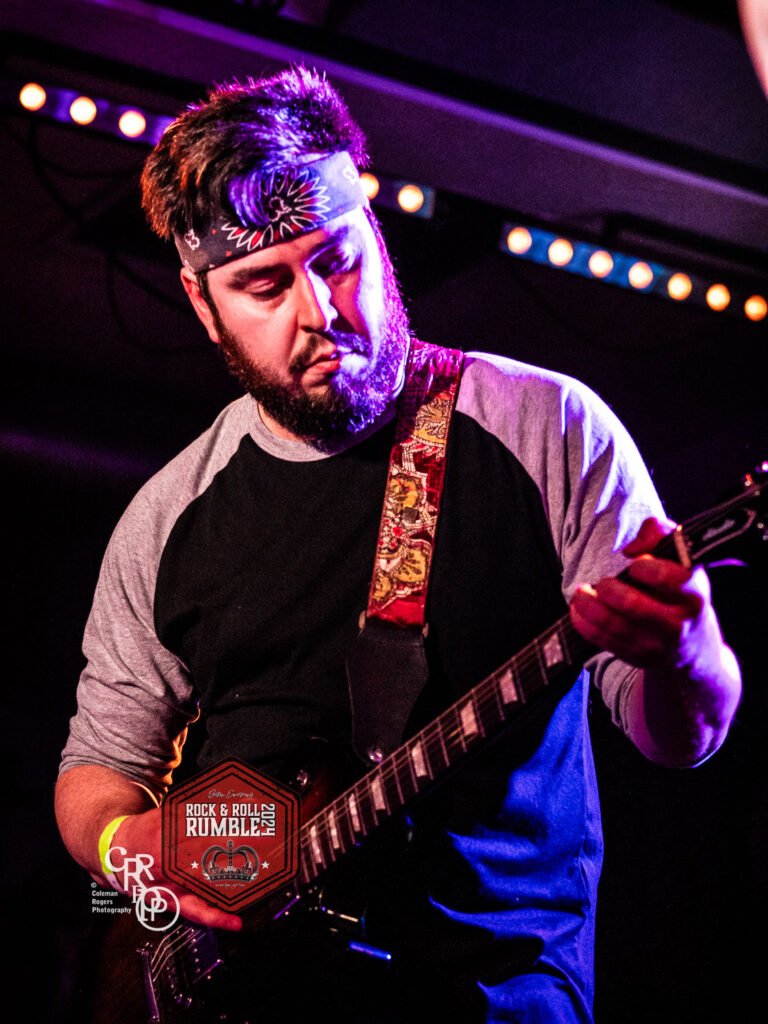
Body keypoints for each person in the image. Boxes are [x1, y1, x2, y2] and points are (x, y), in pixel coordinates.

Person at [55, 66, 741, 1023]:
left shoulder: (546, 427)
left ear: (375, 231)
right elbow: (97, 770)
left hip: (490, 993)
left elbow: (681, 737)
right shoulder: (168, 514)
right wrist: (132, 850)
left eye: (337, 258)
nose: (320, 312)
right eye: (263, 285)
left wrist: (687, 649)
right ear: (203, 305)